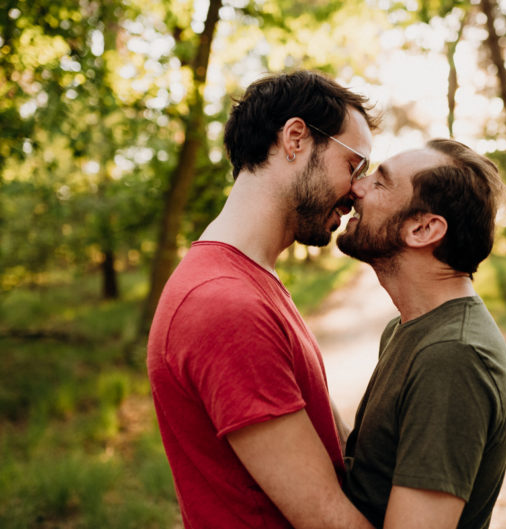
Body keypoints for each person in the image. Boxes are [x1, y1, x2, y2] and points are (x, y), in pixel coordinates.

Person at [147, 70, 377, 529]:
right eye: (354, 165)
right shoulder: (223, 304)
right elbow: (327, 519)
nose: (357, 191)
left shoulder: (250, 279)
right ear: (296, 139)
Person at [337, 138, 506, 529]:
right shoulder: (407, 328)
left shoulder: (454, 356)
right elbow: (371, 472)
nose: (357, 187)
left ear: (422, 229)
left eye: (380, 182)